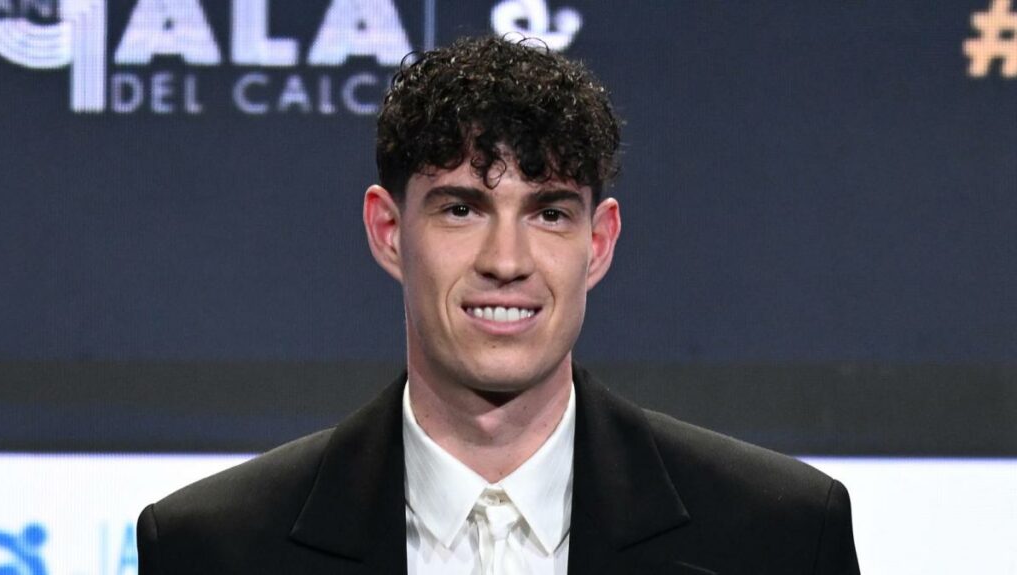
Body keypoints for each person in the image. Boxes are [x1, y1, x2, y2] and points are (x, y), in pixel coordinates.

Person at [137, 35, 860, 575]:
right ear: (389, 231)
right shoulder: (215, 548)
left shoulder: (781, 538)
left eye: (550, 214)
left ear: (598, 243)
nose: (507, 261)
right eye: (461, 209)